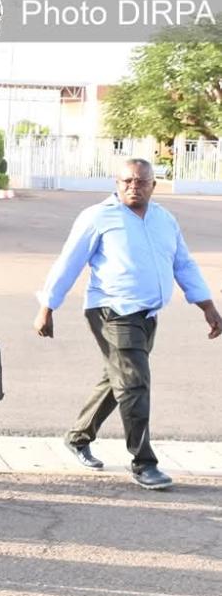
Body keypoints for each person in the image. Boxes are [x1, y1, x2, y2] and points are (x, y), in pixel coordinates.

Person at [34, 158, 221, 490]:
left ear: (153, 185)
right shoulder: (98, 217)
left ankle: (78, 436)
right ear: (116, 184)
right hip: (112, 311)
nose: (134, 187)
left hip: (146, 315)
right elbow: (69, 261)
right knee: (135, 383)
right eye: (127, 181)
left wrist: (206, 305)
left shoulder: (164, 219)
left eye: (141, 181)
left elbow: (183, 264)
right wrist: (47, 307)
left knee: (118, 379)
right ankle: (144, 463)